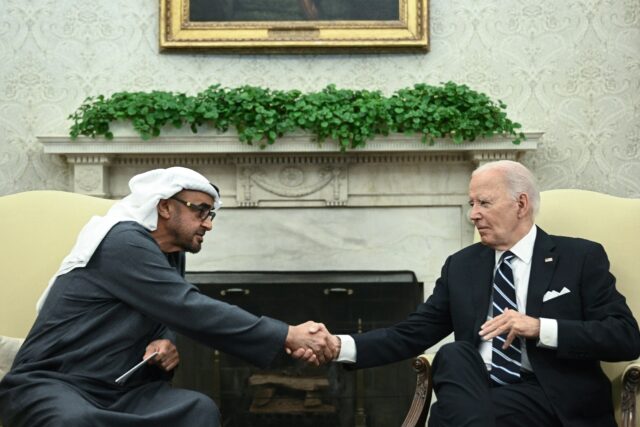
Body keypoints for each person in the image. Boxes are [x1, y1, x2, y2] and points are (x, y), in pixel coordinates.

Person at [0, 167, 336, 427]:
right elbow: (188, 307)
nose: (208, 224)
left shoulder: (170, 251)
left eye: (211, 214)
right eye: (200, 211)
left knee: (196, 409)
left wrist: (164, 339)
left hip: (123, 391)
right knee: (74, 421)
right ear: (164, 208)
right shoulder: (123, 242)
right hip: (57, 383)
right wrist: (287, 334)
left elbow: (165, 308)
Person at [318, 160, 640, 426]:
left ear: (521, 204)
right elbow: (411, 333)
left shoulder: (579, 258)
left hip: (549, 395)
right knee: (454, 354)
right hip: (476, 390)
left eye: (484, 203)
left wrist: (540, 327)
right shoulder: (462, 266)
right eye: (472, 203)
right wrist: (338, 345)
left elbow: (624, 336)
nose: (473, 213)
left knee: (448, 416)